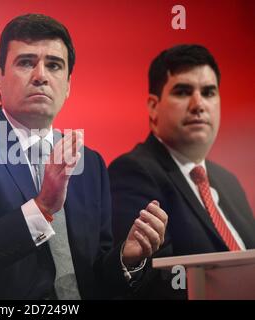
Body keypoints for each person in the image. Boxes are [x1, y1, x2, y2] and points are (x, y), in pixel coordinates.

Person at [0, 13, 167, 299]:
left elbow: (95, 280)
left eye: (54, 65)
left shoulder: (89, 165)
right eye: (26, 62)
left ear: (68, 86)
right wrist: (41, 209)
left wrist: (126, 258)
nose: (41, 76)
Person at [108, 44, 255, 299]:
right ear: (154, 107)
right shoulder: (134, 172)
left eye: (208, 92)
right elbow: (153, 280)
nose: (198, 104)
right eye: (183, 91)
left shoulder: (228, 182)